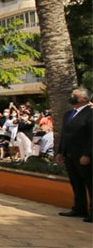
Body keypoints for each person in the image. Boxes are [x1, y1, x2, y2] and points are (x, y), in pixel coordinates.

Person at [57, 87, 92, 223]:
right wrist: (60, 151)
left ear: (84, 99)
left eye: (75, 95)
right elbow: (64, 135)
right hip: (69, 154)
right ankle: (79, 208)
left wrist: (88, 154)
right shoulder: (68, 114)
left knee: (90, 183)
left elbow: (91, 137)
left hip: (83, 155)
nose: (72, 97)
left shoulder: (90, 114)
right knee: (76, 183)